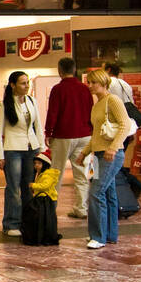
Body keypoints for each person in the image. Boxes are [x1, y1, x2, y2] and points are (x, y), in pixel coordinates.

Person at [83, 69, 132, 250]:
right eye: (89, 82)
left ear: (103, 83)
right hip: (99, 154)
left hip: (111, 154)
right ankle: (109, 234)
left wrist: (113, 146)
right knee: (108, 193)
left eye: (93, 82)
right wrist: (85, 152)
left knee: (96, 192)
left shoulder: (113, 100)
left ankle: (98, 236)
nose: (90, 86)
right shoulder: (97, 104)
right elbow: (96, 133)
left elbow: (125, 125)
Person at [0, 70, 43, 237]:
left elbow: (38, 127)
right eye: (23, 83)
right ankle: (11, 223)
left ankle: (27, 221)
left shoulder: (32, 101)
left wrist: (41, 150)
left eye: (27, 82)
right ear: (13, 85)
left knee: (28, 187)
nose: (26, 86)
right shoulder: (5, 104)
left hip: (31, 148)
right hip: (12, 149)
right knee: (13, 188)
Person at [44, 57, 94, 220]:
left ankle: (52, 207)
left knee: (56, 172)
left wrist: (48, 132)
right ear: (74, 70)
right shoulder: (85, 89)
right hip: (85, 135)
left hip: (63, 135)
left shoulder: (58, 89)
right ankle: (81, 208)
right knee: (82, 173)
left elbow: (53, 112)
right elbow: (90, 111)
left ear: (60, 70)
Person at [21, 150, 61, 246]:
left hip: (49, 200)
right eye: (35, 163)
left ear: (45, 164)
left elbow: (45, 186)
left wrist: (33, 186)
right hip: (43, 199)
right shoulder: (41, 174)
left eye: (39, 163)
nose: (36, 165)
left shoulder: (48, 175)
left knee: (47, 220)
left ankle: (45, 236)